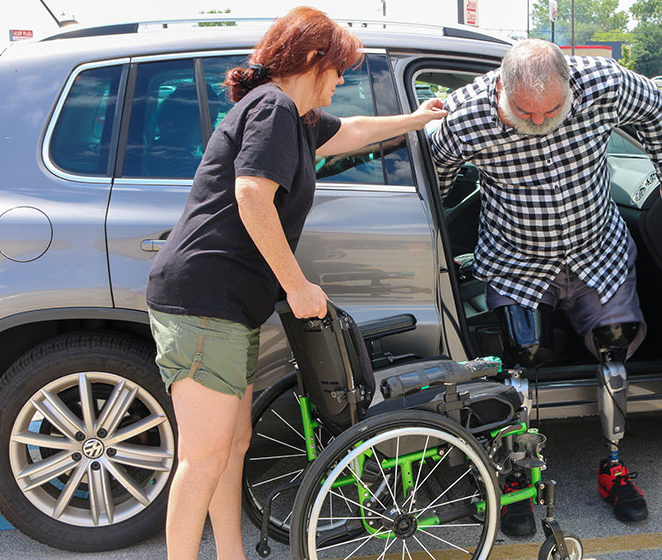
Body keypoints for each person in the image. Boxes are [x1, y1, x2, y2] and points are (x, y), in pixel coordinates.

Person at [145, 8, 446, 559]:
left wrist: (414, 119)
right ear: (313, 61)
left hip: (225, 305)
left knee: (232, 445)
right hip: (204, 301)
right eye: (339, 70)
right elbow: (252, 196)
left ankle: (230, 554)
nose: (341, 82)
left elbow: (352, 132)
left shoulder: (297, 118)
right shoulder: (273, 107)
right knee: (204, 457)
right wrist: (298, 285)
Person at [430, 39, 662, 533]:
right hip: (517, 261)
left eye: (552, 110)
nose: (538, 122)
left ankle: (615, 467)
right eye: (523, 112)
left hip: (597, 251)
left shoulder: (604, 83)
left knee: (614, 351)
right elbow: (436, 174)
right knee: (522, 359)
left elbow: (654, 110)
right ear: (501, 88)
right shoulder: (465, 116)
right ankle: (515, 477)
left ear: (571, 87)